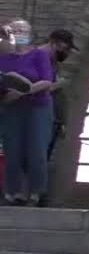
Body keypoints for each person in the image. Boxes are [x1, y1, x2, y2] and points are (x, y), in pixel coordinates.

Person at [0, 19, 56, 206]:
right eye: (14, 30)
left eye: (22, 30)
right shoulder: (3, 58)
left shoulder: (39, 54)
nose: (18, 33)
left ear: (30, 34)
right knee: (12, 150)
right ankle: (12, 191)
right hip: (11, 108)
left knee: (36, 150)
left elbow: (47, 80)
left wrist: (25, 90)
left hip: (38, 107)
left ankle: (36, 192)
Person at [43, 29, 77, 161]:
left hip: (53, 120)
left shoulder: (53, 62)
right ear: (53, 42)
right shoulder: (40, 58)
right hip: (43, 119)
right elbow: (32, 90)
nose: (66, 52)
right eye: (65, 48)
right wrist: (58, 84)